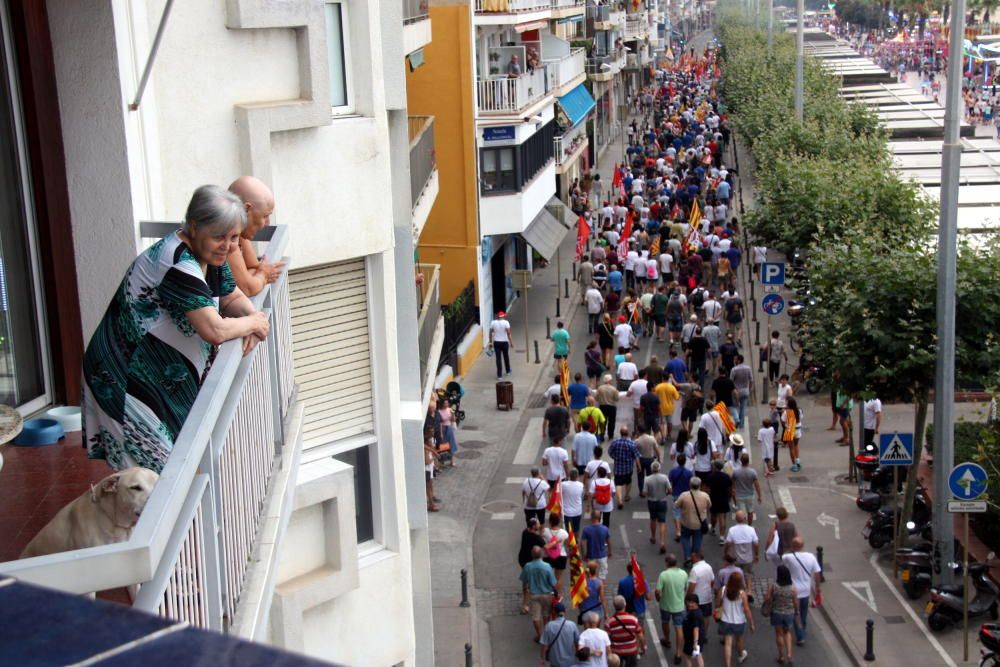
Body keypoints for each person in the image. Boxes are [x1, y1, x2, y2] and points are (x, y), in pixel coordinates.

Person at [82, 185, 271, 473]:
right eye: (220, 236)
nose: (229, 246)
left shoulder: (210, 254)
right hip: (126, 376)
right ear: (194, 227)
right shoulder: (177, 262)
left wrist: (250, 317)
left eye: (234, 237)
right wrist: (254, 322)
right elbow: (215, 330)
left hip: (157, 376)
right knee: (152, 481)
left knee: (172, 469)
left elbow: (230, 296)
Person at [226, 176, 285, 296]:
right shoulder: (226, 238)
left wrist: (256, 275)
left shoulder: (240, 235)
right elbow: (247, 288)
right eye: (265, 216)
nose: (267, 223)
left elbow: (253, 267)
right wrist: (263, 275)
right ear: (246, 209)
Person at [781, 537, 822, 647]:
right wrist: (817, 587)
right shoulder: (811, 557)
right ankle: (802, 629)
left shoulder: (788, 557)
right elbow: (817, 573)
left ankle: (800, 635)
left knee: (796, 613)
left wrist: (790, 548)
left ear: (793, 546)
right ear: (803, 546)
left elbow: (783, 558)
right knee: (803, 612)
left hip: (794, 590)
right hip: (806, 590)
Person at [764, 565, 800, 665]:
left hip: (776, 613)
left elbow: (767, 598)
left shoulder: (774, 586)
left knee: (779, 634)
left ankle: (781, 656)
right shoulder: (792, 588)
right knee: (787, 632)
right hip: (789, 613)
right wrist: (797, 611)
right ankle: (789, 654)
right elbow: (795, 602)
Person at [655, 554, 689, 663]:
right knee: (679, 628)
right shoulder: (684, 573)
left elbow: (658, 591)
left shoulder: (664, 575)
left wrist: (658, 598)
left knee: (665, 622)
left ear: (666, 563)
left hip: (665, 605)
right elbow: (686, 588)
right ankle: (678, 653)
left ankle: (667, 639)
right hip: (679, 606)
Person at [522, 545, 558, 641]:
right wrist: (557, 594)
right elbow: (553, 582)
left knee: (536, 617)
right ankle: (546, 634)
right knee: (546, 615)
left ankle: (540, 635)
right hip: (546, 594)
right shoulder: (547, 567)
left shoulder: (527, 566)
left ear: (532, 555)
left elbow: (524, 583)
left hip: (534, 595)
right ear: (541, 554)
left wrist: (525, 602)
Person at [719, 570, 755, 667]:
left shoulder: (723, 590)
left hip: (726, 620)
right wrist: (751, 623)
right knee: (739, 639)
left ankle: (728, 664)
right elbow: (747, 609)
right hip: (739, 621)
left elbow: (718, 604)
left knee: (728, 643)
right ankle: (741, 654)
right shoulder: (742, 594)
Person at [675, 476, 711, 564]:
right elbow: (709, 506)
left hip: (686, 522)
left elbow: (677, 505)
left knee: (685, 538)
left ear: (690, 485)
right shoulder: (705, 496)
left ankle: (687, 557)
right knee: (697, 540)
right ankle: (694, 556)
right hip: (699, 523)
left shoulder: (684, 495)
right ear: (700, 485)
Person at [724, 511, 759, 600]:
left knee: (736, 574)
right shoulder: (751, 529)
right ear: (745, 518)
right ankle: (749, 591)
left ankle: (739, 591)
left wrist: (726, 553)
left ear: (736, 519)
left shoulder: (732, 530)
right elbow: (756, 543)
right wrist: (756, 554)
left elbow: (728, 543)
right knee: (748, 574)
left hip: (736, 558)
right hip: (748, 557)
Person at [605, 595, 644, 666]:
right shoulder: (633, 619)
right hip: (631, 650)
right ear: (625, 605)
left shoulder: (609, 622)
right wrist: (643, 647)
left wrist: (609, 654)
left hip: (616, 651)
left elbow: (607, 639)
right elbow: (640, 635)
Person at [687, 551, 715, 646]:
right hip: (707, 597)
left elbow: (692, 585)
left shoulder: (695, 569)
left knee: (694, 618)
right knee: (706, 617)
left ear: (697, 557)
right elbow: (712, 581)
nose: (691, 559)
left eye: (692, 557)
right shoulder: (709, 567)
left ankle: (695, 636)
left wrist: (688, 596)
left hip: (696, 598)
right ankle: (704, 635)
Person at [541, 602, 582, 667]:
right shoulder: (572, 625)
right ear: (565, 611)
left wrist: (542, 660)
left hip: (555, 662)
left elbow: (544, 645)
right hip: (569, 662)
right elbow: (578, 643)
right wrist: (579, 657)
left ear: (554, 612)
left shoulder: (549, 626)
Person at [608, 427, 642, 508]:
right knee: (628, 481)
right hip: (628, 467)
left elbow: (609, 452)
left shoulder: (615, 442)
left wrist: (614, 457)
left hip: (618, 467)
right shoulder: (631, 444)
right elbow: (636, 456)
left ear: (620, 433)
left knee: (618, 483)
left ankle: (620, 500)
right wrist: (639, 466)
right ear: (628, 433)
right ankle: (626, 495)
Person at [645, 461, 672, 553]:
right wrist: (665, 494)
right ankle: (662, 542)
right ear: (659, 469)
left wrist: (649, 494)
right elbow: (670, 490)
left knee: (653, 519)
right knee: (662, 522)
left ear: (651, 469)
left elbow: (644, 492)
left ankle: (653, 536)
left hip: (652, 501)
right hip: (662, 500)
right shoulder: (664, 478)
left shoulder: (647, 479)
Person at [703, 459, 732, 542]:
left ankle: (712, 528)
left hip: (713, 498)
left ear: (715, 467)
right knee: (722, 517)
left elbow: (707, 489)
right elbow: (729, 488)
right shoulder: (726, 476)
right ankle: (722, 536)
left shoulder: (710, 476)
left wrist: (707, 499)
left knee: (713, 515)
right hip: (723, 498)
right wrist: (729, 497)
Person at [618, 559, 653, 625]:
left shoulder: (622, 582)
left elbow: (620, 598)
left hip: (628, 611)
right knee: (640, 629)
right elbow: (648, 597)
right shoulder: (643, 581)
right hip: (640, 610)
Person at [731, 453, 762, 525]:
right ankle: (749, 526)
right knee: (750, 512)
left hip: (739, 495)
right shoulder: (753, 472)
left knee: (741, 513)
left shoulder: (736, 472)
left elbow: (732, 482)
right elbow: (757, 486)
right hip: (750, 495)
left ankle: (742, 526)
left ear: (741, 461)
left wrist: (733, 490)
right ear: (748, 461)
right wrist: (759, 496)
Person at [582, 511, 613, 580]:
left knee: (590, 575)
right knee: (602, 575)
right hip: (602, 556)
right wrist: (610, 552)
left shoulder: (586, 530)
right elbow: (609, 542)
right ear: (599, 518)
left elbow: (582, 543)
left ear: (591, 517)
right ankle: (601, 589)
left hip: (591, 556)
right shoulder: (605, 529)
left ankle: (591, 588)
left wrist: (583, 554)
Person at [544, 513, 570, 590]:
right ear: (559, 522)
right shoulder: (564, 533)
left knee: (548, 576)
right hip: (561, 555)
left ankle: (549, 593)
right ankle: (558, 595)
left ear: (550, 521)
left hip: (548, 556)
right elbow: (568, 544)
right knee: (558, 578)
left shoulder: (545, 531)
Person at [634, 427, 659, 497]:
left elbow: (634, 452)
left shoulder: (637, 441)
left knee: (640, 476)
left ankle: (641, 491)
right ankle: (649, 490)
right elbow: (656, 449)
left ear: (639, 431)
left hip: (641, 460)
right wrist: (659, 458)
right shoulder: (652, 438)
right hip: (650, 459)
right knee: (650, 476)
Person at [681, 593, 705, 667]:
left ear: (696, 603)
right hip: (698, 638)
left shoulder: (694, 615)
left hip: (691, 639)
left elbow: (696, 629)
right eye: (688, 602)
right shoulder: (698, 611)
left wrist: (695, 643)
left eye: (692, 602)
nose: (689, 604)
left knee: (687, 657)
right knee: (698, 654)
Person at [730, 355, 753, 429]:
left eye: (735, 359)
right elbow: (751, 380)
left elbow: (731, 381)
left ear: (739, 360)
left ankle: (737, 420)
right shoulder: (748, 368)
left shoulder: (734, 369)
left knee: (734, 406)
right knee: (743, 408)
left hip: (736, 391)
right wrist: (749, 389)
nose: (734, 361)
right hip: (745, 390)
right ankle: (742, 424)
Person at [781, 398, 803, 473]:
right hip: (798, 429)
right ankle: (798, 461)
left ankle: (794, 465)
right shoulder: (799, 410)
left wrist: (786, 426)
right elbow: (801, 418)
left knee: (791, 448)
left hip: (790, 429)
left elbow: (783, 421)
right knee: (796, 445)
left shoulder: (786, 412)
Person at [489, 311, 513, 379]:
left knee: (498, 359)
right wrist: (511, 342)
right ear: (503, 316)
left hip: (496, 342)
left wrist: (490, 342)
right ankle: (508, 371)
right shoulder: (506, 323)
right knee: (506, 357)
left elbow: (490, 333)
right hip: (504, 342)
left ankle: (499, 375)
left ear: (498, 316)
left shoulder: (493, 323)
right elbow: (508, 333)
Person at [595, 375, 620, 441]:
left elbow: (596, 398)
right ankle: (610, 435)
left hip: (602, 406)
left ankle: (601, 436)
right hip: (612, 407)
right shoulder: (614, 389)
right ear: (609, 381)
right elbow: (617, 398)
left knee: (602, 421)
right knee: (612, 421)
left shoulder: (600, 388)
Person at [562, 470, 586, 536]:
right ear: (577, 476)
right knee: (576, 528)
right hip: (577, 511)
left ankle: (570, 542)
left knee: (568, 529)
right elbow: (582, 494)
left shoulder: (563, 484)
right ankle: (576, 541)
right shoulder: (581, 485)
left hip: (567, 511)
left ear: (569, 475)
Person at [438, 398, 459, 467]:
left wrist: (453, 414)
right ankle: (442, 462)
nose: (446, 404)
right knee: (443, 446)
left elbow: (453, 420)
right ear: (442, 404)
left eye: (447, 403)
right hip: (443, 428)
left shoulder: (449, 409)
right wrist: (440, 433)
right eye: (445, 403)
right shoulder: (439, 411)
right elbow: (441, 422)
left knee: (451, 444)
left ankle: (452, 461)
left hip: (449, 427)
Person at [424, 434, 440, 512]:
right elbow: (427, 462)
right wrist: (434, 457)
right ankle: (431, 505)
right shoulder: (425, 450)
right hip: (426, 471)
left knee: (430, 487)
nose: (432, 442)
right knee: (429, 489)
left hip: (429, 470)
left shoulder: (429, 449)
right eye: (430, 441)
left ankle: (431, 502)